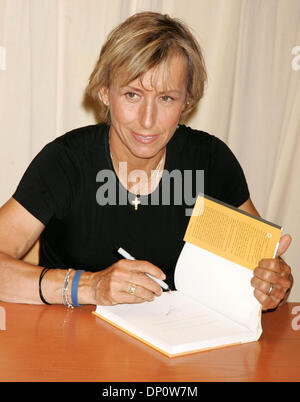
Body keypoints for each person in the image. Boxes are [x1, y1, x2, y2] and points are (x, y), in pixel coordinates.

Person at [0, 12, 292, 310]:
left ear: (186, 102)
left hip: (179, 347)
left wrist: (272, 282)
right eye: (132, 95)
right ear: (105, 92)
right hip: (69, 343)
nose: (148, 120)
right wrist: (89, 286)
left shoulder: (210, 162)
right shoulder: (66, 162)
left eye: (166, 98)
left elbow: (265, 267)